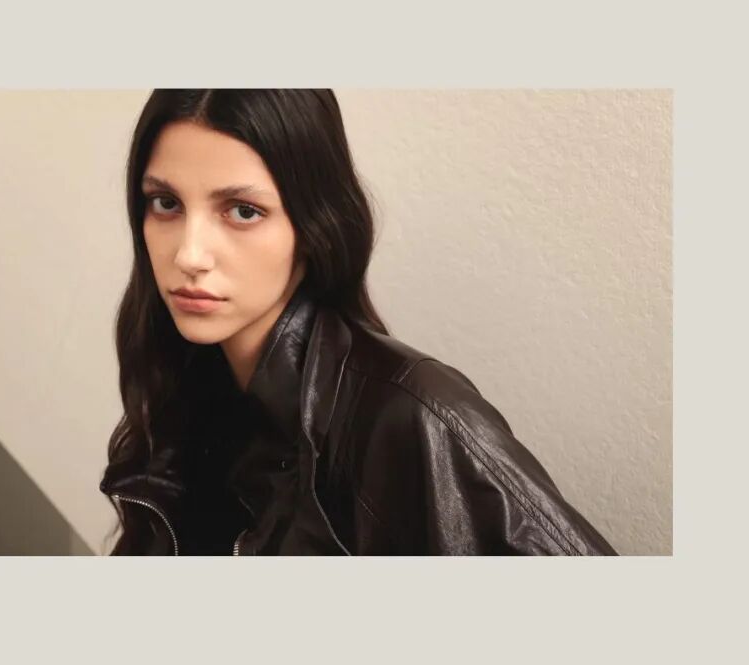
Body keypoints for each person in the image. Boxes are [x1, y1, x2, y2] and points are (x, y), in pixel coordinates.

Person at [99, 89, 617, 555]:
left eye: (243, 211)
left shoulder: (416, 416)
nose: (189, 255)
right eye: (166, 203)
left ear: (314, 224)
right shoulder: (185, 388)